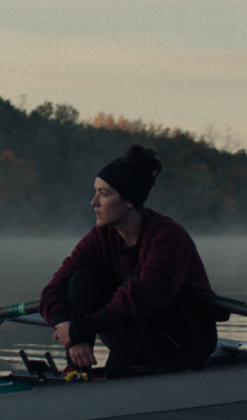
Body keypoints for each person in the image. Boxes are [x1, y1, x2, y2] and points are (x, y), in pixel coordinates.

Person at [39, 144, 228, 378]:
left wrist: (78, 328)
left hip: (184, 345)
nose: (93, 202)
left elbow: (139, 300)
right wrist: (69, 333)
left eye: (104, 194)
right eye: (95, 192)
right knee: (80, 281)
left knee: (132, 287)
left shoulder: (168, 237)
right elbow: (52, 289)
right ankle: (76, 372)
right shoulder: (100, 237)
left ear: (130, 201)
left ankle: (116, 379)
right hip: (138, 342)